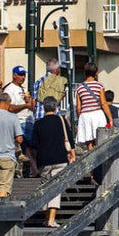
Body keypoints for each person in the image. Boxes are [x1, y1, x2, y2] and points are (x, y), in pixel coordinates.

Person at [28, 96, 76, 229]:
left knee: (46, 187)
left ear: (44, 108)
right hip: (60, 158)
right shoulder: (61, 121)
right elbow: (70, 140)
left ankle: (46, 217)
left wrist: (34, 165)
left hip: (43, 161)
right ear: (55, 107)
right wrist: (72, 155)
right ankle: (51, 219)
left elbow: (34, 146)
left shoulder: (38, 123)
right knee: (56, 189)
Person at [1, 65, 36, 175]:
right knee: (28, 146)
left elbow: (31, 106)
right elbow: (9, 107)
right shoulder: (9, 89)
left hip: (29, 119)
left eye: (24, 75)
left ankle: (32, 169)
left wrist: (29, 102)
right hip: (19, 120)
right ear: (14, 75)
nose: (23, 77)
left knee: (32, 147)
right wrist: (25, 105)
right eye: (20, 75)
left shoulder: (24, 89)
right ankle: (34, 169)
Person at [74, 61, 113, 150]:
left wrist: (80, 118)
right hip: (97, 114)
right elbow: (103, 103)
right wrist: (110, 119)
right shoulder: (99, 85)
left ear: (85, 72)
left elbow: (78, 107)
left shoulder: (79, 87)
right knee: (100, 141)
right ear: (96, 72)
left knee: (89, 143)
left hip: (85, 115)